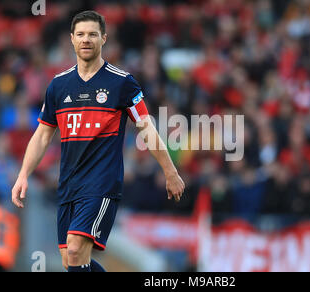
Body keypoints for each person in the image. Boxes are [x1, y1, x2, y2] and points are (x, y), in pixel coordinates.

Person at [11, 11, 185, 272]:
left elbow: (146, 127)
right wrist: (23, 174)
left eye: (92, 34)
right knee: (72, 260)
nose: (86, 40)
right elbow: (43, 134)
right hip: (69, 184)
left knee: (75, 248)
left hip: (102, 183)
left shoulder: (122, 83)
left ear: (103, 38)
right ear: (71, 39)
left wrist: (170, 171)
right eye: (80, 34)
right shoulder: (58, 86)